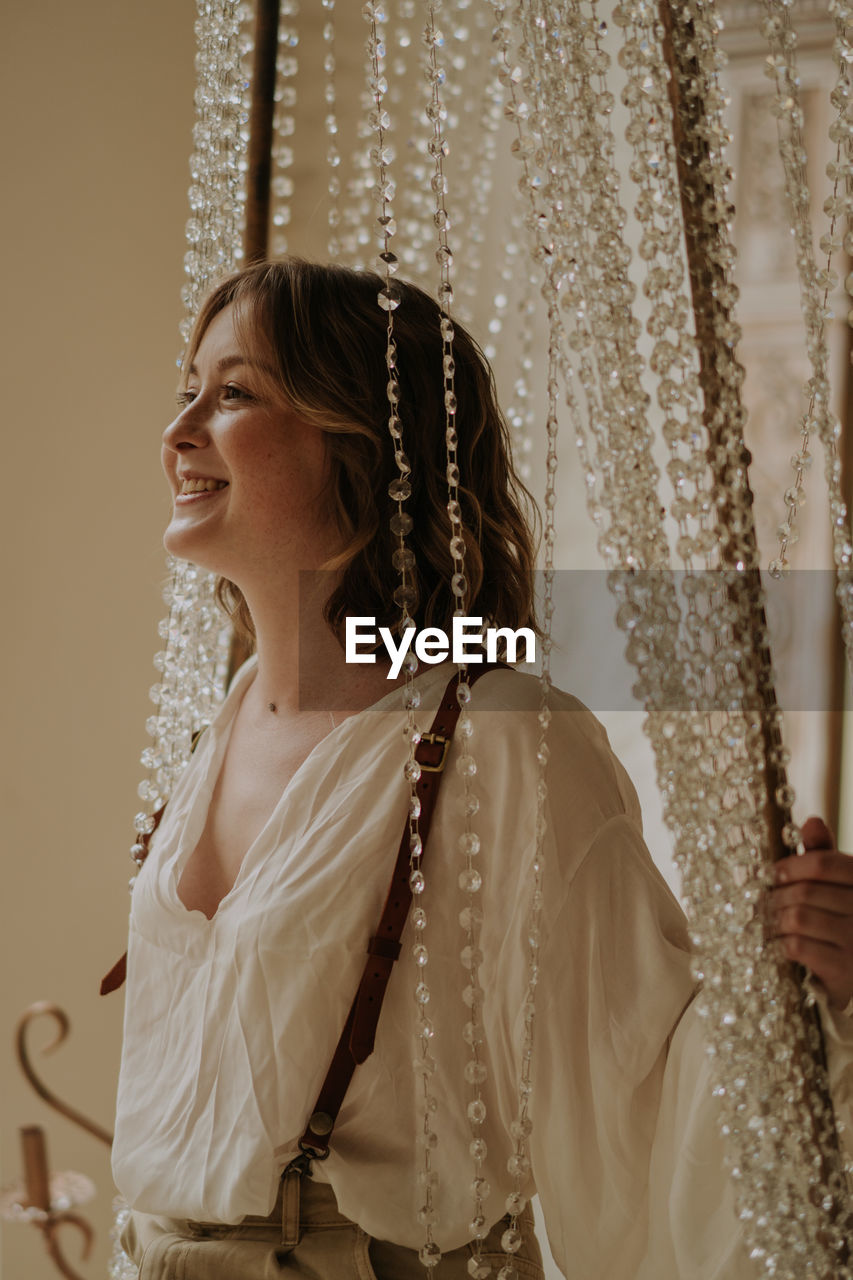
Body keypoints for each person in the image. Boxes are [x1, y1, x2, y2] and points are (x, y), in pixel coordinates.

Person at [110, 258, 853, 1280]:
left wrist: (820, 1003)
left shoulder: (508, 740)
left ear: (362, 447)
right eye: (187, 388)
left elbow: (641, 1073)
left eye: (233, 392)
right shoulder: (215, 729)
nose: (180, 430)